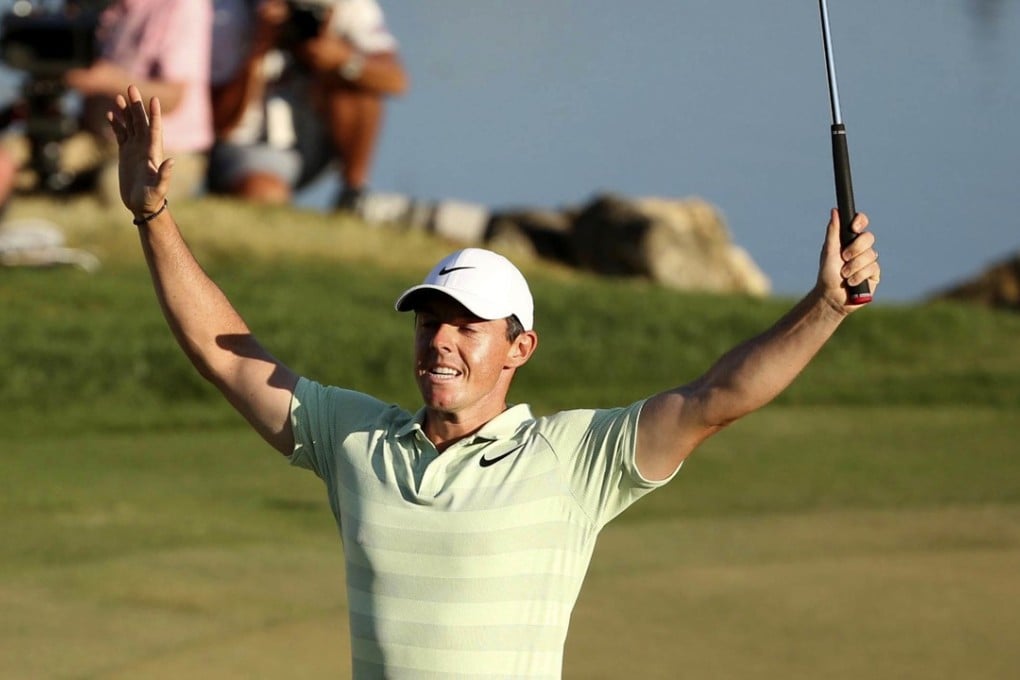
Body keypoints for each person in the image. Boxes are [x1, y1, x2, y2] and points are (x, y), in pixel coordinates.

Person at [109, 85, 881, 677]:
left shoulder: (573, 459)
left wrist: (825, 308)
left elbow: (715, 399)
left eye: (467, 326)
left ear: (519, 348)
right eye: (428, 322)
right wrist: (153, 215)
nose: (440, 342)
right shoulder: (355, 438)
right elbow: (227, 355)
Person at [0, 0, 212, 207]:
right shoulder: (106, 7)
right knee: (10, 159)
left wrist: (103, 80)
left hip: (164, 148)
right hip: (98, 137)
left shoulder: (181, 5)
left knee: (122, 192)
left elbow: (172, 98)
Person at [207, 0, 408, 211]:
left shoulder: (352, 7)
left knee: (362, 87)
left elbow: (397, 81)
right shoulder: (229, 14)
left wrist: (343, 61)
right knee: (266, 193)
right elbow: (222, 123)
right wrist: (259, 49)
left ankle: (353, 194)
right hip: (249, 143)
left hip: (316, 142)